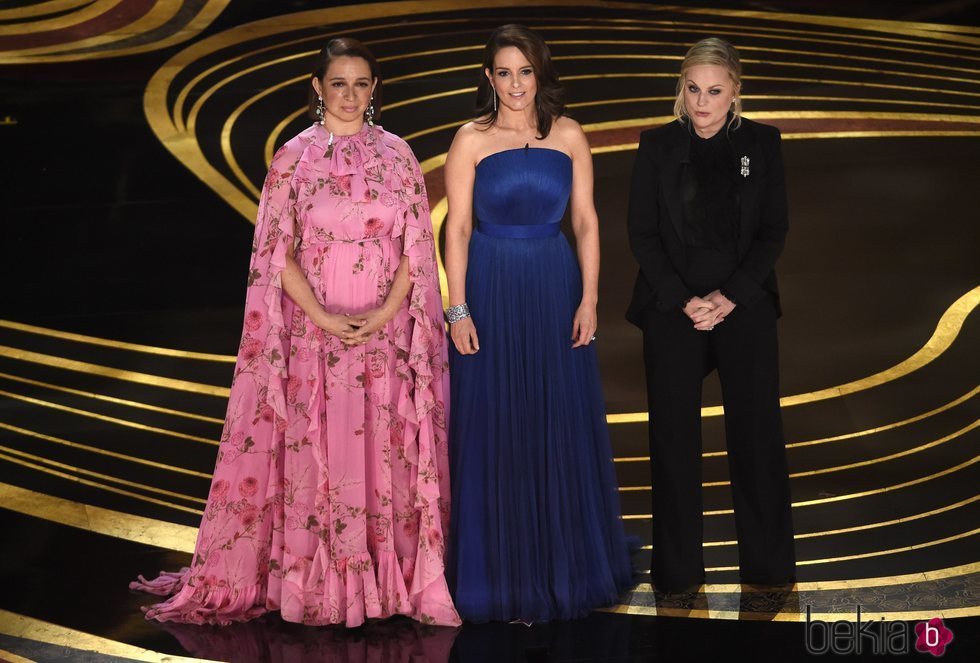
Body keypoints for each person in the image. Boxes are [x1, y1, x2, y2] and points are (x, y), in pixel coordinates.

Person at [130, 37, 461, 628]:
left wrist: (384, 315)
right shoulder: (292, 160)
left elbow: (417, 246)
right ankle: (317, 584)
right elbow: (274, 253)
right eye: (339, 83)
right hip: (315, 337)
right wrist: (327, 318)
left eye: (362, 83)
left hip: (382, 338)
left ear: (374, 89)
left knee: (382, 455)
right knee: (323, 455)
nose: (352, 95)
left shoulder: (399, 156)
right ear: (317, 88)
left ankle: (387, 586)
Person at [443, 24, 635, 623]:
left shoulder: (571, 135)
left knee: (556, 419)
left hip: (556, 290)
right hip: (491, 291)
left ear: (540, 73)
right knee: (494, 422)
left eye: (525, 71)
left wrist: (590, 299)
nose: (516, 84)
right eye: (504, 72)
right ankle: (498, 572)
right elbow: (456, 229)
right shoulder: (470, 140)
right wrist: (457, 307)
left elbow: (585, 223)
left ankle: (563, 566)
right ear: (488, 78)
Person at [625, 37, 797, 593]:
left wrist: (730, 296)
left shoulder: (764, 144)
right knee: (673, 441)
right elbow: (642, 233)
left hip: (742, 305)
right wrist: (682, 298)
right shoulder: (655, 146)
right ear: (681, 88)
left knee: (757, 436)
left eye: (715, 91)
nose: (702, 102)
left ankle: (768, 571)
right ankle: (676, 574)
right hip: (672, 308)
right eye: (693, 89)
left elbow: (774, 230)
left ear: (736, 92)